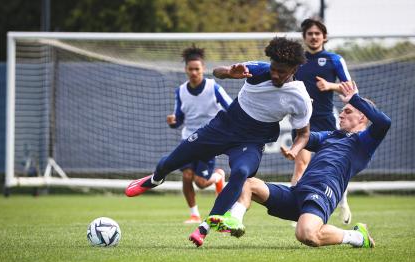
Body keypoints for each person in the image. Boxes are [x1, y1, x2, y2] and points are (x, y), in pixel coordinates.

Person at [125, 37, 313, 247]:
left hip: (252, 141)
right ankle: (155, 179)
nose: (275, 74)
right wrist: (230, 72)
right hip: (223, 128)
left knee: (242, 173)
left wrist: (295, 150)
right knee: (172, 161)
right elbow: (217, 72)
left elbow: (304, 133)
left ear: (294, 69)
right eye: (274, 68)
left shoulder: (300, 98)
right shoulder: (259, 70)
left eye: (282, 71)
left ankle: (204, 227)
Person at [224, 81, 391, 248]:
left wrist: (355, 98)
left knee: (307, 235)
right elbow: (306, 137)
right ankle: (235, 222)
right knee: (247, 183)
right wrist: (301, 110)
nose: (341, 115)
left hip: (322, 192)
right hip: (297, 192)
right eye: (341, 111)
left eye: (347, 111)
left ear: (362, 117)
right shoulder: (332, 135)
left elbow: (384, 122)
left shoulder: (364, 142)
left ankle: (357, 237)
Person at [293, 18, 353, 224]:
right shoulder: (297, 60)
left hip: (327, 120)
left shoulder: (334, 59)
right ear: (304, 37)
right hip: (303, 121)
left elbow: (351, 87)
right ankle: (296, 210)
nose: (313, 37)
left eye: (317, 33)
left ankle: (342, 202)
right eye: (309, 34)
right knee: (301, 164)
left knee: (333, 166)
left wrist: (330, 86)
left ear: (324, 37)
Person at [166, 45, 232, 224]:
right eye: (190, 69)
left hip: (209, 141)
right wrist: (174, 121)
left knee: (201, 183)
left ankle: (218, 176)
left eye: (197, 69)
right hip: (188, 139)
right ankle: (194, 214)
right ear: (186, 70)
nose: (194, 72)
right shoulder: (180, 91)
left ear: (203, 68)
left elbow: (231, 108)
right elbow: (179, 119)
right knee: (186, 176)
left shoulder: (213, 87)